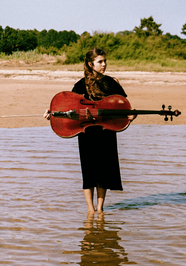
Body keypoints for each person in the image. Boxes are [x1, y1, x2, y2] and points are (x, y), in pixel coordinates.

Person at [44, 47, 136, 213]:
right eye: (100, 61)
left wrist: (131, 115)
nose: (104, 64)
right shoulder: (80, 85)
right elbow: (68, 107)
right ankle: (90, 210)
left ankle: (100, 209)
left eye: (104, 61)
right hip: (86, 132)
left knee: (104, 171)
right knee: (89, 172)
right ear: (90, 64)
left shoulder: (111, 83)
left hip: (106, 130)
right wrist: (53, 113)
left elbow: (124, 106)